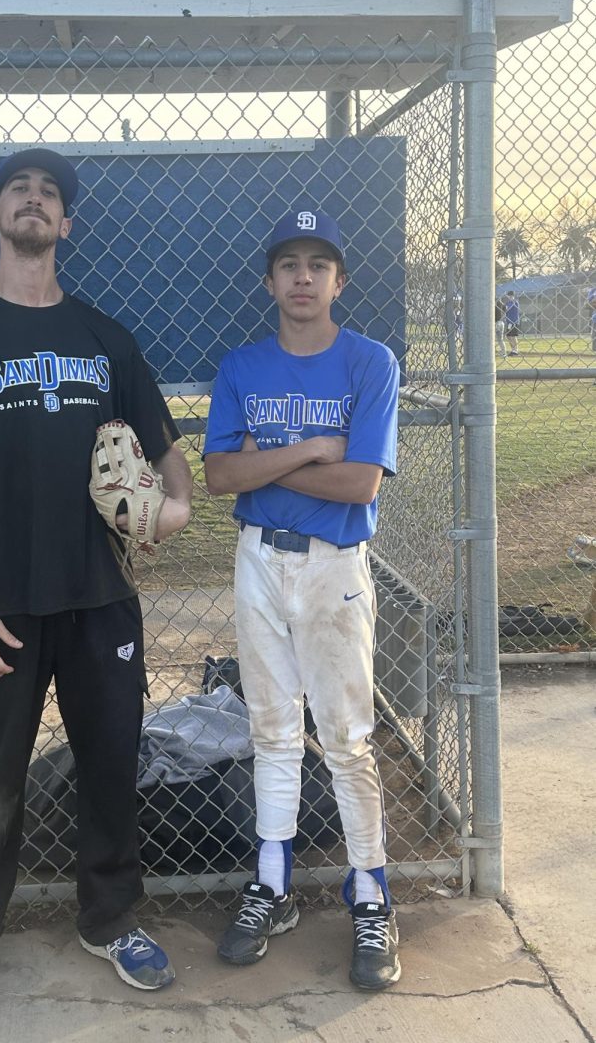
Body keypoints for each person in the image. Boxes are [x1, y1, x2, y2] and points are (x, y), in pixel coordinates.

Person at [0, 148, 193, 1017]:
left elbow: (173, 472)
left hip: (100, 597)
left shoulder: (107, 340)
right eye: (17, 191)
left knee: (111, 765)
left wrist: (163, 514)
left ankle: (109, 920)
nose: (34, 200)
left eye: (50, 194)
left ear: (66, 225)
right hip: (0, 604)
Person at [203, 208, 401, 991]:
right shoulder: (243, 365)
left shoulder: (369, 361)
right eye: (289, 264)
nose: (304, 277)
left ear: (339, 281)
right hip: (259, 562)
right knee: (273, 730)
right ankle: (273, 885)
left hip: (334, 566)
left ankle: (371, 894)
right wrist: (314, 447)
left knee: (348, 738)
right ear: (270, 281)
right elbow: (219, 478)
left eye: (319, 264)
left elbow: (360, 482)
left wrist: (269, 462)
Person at [503, 290, 521, 355]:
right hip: (509, 322)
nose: (510, 297)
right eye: (509, 296)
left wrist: (503, 307)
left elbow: (506, 309)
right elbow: (504, 309)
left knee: (513, 336)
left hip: (514, 321)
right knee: (508, 336)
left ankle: (516, 350)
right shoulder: (508, 302)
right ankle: (513, 350)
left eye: (511, 296)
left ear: (513, 296)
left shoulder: (515, 302)